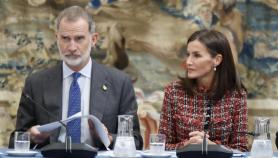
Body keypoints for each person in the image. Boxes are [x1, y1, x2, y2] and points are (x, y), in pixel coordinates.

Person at [9, 6, 143, 150]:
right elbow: (15, 140)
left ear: (93, 39)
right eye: (65, 38)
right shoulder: (35, 83)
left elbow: (136, 142)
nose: (72, 47)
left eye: (79, 38)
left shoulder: (120, 83)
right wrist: (31, 136)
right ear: (57, 39)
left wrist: (109, 138)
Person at [159, 29, 248, 151]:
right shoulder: (173, 91)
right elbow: (161, 146)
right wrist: (186, 145)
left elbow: (241, 149)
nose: (188, 61)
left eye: (196, 55)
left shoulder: (236, 95)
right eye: (188, 54)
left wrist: (212, 146)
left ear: (217, 60)